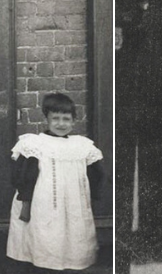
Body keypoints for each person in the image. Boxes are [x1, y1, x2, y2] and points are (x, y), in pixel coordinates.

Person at [8, 93, 104, 272]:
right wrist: (26, 203)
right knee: (45, 236)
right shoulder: (36, 144)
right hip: (43, 203)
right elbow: (25, 176)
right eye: (56, 119)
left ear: (74, 121)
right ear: (46, 118)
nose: (61, 124)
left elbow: (96, 174)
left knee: (73, 236)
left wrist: (93, 196)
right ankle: (43, 264)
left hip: (74, 204)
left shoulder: (82, 146)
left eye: (66, 119)